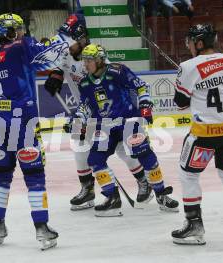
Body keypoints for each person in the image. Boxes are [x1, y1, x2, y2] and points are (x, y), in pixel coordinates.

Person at [0, 13, 67, 250]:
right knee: (35, 175)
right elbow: (53, 53)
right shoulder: (21, 46)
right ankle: (42, 229)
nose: (22, 32)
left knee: (1, 175)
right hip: (22, 121)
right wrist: (66, 32)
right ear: (10, 32)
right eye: (18, 29)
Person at [44, 12, 153, 211]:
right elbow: (58, 66)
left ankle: (143, 181)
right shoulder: (66, 53)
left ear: (83, 38)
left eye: (71, 42)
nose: (68, 46)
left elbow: (111, 88)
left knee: (122, 150)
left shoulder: (98, 59)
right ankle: (88, 190)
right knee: (79, 148)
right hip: (83, 110)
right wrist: (55, 76)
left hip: (104, 112)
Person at [76, 44, 179, 216]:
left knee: (144, 153)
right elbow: (84, 105)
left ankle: (161, 194)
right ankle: (112, 198)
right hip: (105, 126)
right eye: (84, 60)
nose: (85, 64)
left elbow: (141, 86)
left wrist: (145, 105)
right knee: (94, 159)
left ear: (100, 60)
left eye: (89, 60)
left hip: (128, 120)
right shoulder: (85, 83)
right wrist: (78, 119)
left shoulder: (117, 71)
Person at [171, 24, 223, 245]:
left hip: (204, 135)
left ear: (200, 42)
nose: (189, 45)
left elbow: (180, 103)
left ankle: (194, 225)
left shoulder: (188, 66)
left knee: (189, 175)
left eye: (191, 41)